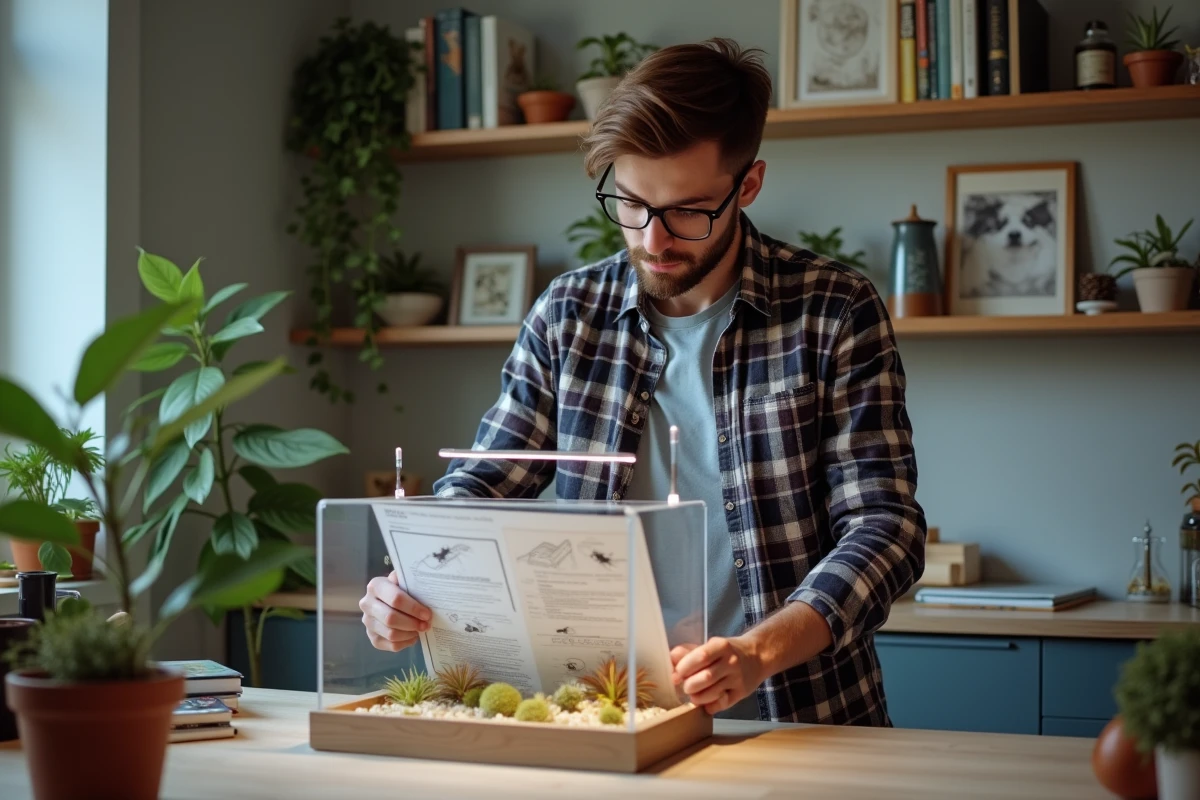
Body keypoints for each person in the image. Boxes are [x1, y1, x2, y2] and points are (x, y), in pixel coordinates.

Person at [358, 37, 926, 726]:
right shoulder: (569, 315)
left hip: (800, 712)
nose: (654, 239)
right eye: (631, 204)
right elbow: (482, 483)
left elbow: (884, 528)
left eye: (689, 210)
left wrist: (757, 653)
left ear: (747, 185)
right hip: (601, 717)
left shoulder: (834, 309)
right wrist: (408, 584)